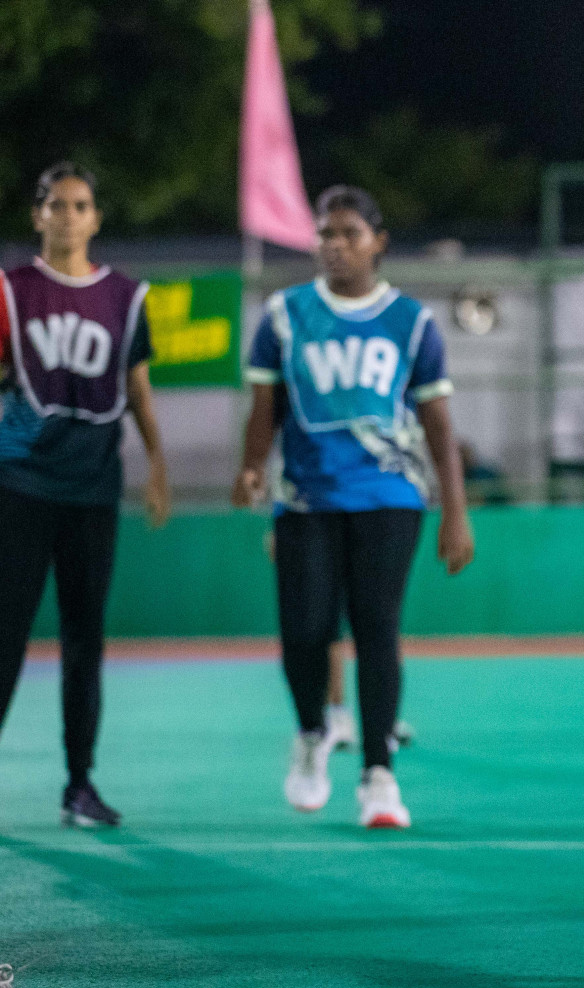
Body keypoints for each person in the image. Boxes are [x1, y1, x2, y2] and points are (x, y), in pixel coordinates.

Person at [232, 185, 473, 828]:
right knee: (305, 634)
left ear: (379, 242)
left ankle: (378, 776)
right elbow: (266, 409)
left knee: (376, 630)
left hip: (390, 496)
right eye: (325, 235)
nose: (335, 246)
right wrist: (254, 467)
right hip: (306, 498)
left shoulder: (412, 323)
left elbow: (439, 425)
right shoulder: (283, 316)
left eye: (349, 235)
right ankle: (312, 734)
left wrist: (456, 510)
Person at [0, 162, 171, 828]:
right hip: (18, 483)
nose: (68, 216)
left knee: (85, 641)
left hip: (93, 488)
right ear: (37, 214)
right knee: (6, 637)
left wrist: (157, 463)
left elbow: (139, 391)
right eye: (56, 204)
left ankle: (80, 785)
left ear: (96, 217)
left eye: (80, 205)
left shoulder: (125, 298)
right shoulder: (12, 292)